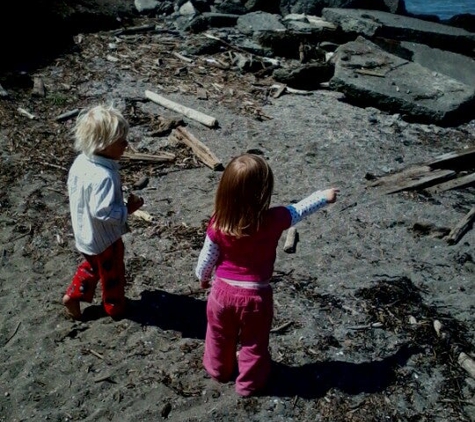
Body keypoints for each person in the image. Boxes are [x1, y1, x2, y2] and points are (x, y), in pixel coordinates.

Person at [195, 153, 338, 397]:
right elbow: (300, 209)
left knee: (218, 334)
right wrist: (323, 197)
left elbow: (206, 257)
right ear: (263, 193)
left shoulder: (218, 223)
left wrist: (203, 277)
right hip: (256, 297)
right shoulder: (273, 219)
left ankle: (219, 369)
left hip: (221, 293)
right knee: (254, 343)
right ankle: (248, 384)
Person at [62, 104, 144, 320]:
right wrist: (128, 209)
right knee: (112, 273)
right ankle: (115, 306)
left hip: (84, 233)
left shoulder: (81, 162)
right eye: (121, 141)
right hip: (104, 238)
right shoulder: (104, 177)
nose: (127, 144)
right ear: (103, 145)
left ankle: (73, 295)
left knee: (92, 266)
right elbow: (103, 212)